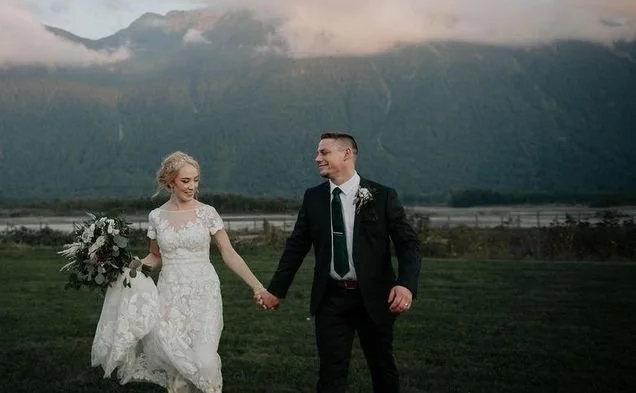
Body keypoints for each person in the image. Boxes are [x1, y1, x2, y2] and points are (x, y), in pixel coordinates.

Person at [256, 132, 421, 393]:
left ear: (347, 154)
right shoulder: (313, 197)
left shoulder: (382, 195)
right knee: (331, 374)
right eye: (317, 153)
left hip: (376, 298)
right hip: (330, 299)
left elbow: (408, 244)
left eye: (324, 152)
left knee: (382, 369)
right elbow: (296, 247)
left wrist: (406, 285)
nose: (317, 158)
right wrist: (276, 291)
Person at [97, 151, 265, 393]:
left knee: (204, 361)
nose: (192, 186)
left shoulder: (207, 213)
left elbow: (228, 252)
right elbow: (155, 256)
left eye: (196, 180)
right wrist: (129, 267)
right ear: (170, 182)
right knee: (176, 365)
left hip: (204, 292)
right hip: (169, 295)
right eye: (186, 181)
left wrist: (257, 286)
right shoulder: (156, 216)